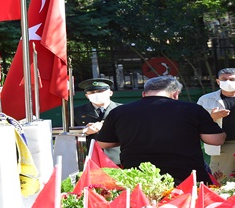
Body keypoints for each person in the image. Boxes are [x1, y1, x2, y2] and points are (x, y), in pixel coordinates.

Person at [95, 76, 225, 185]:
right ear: (175, 94)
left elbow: (103, 143)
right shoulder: (191, 109)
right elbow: (215, 140)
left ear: (144, 94)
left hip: (138, 176)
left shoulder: (119, 112)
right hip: (185, 176)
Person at [73, 78, 121, 164]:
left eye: (100, 91)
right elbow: (68, 133)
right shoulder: (76, 112)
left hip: (117, 157)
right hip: (89, 157)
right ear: (87, 95)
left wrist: (106, 126)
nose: (96, 94)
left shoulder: (122, 109)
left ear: (110, 93)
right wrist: (86, 131)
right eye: (92, 92)